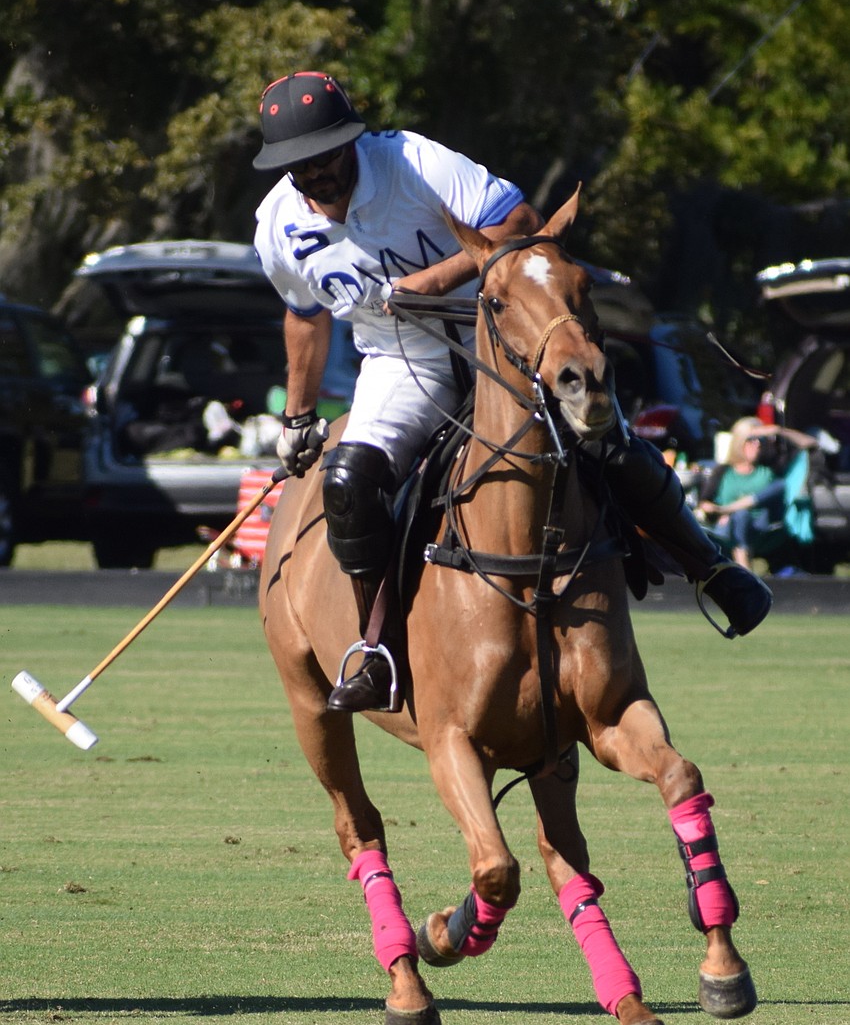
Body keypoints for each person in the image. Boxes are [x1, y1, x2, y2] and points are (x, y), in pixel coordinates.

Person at [252, 71, 772, 713]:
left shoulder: (412, 161)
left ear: (351, 140)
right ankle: (379, 652)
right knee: (349, 482)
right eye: (300, 166)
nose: (318, 175)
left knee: (601, 435)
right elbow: (305, 316)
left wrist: (433, 281)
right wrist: (298, 416)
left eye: (327, 156)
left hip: (500, 329)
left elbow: (521, 222)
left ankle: (710, 566)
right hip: (402, 360)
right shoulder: (275, 225)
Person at [698, 417, 817, 570]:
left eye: (761, 439)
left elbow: (812, 444)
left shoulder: (769, 468)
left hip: (762, 528)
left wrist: (777, 430)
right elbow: (704, 502)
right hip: (726, 529)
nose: (758, 444)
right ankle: (741, 567)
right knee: (736, 519)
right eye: (751, 439)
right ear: (739, 442)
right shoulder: (723, 471)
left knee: (770, 492)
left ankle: (743, 567)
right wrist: (715, 511)